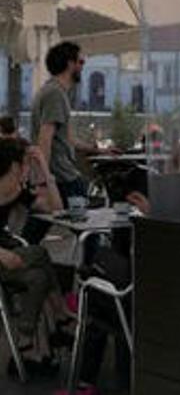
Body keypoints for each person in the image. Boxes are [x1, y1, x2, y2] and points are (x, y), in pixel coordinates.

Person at [0, 138, 75, 376]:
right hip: (2, 257)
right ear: (14, 167)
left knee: (39, 277)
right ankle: (62, 318)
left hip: (11, 255)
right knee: (41, 253)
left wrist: (45, 169)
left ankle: (25, 344)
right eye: (27, 163)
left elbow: (57, 209)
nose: (28, 168)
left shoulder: (17, 192)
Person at [31, 41, 118, 209]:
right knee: (89, 228)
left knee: (36, 228)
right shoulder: (55, 94)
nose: (83, 66)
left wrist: (99, 150)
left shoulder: (55, 92)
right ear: (70, 64)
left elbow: (68, 139)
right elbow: (45, 139)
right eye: (81, 62)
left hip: (59, 176)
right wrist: (43, 182)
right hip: (62, 176)